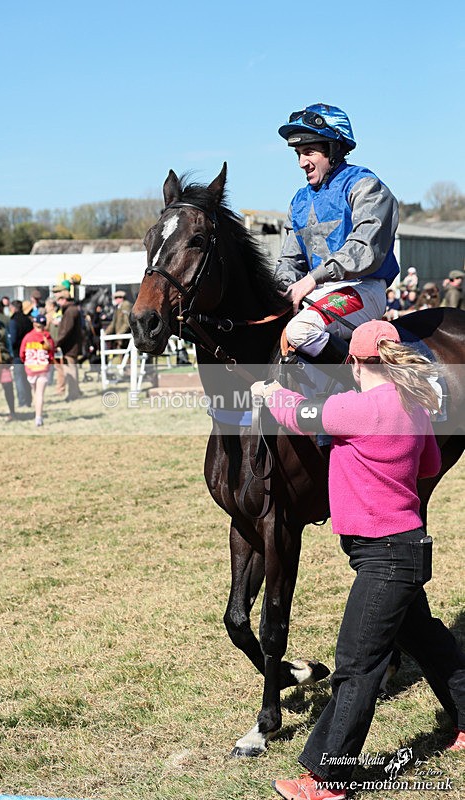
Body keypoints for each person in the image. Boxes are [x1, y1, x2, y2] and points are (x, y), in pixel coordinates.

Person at [252, 320, 465, 800]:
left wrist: (270, 391)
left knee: (356, 664)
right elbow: (428, 465)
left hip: (385, 557)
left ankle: (327, 779)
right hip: (404, 548)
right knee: (429, 643)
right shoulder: (412, 404)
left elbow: (302, 414)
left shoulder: (359, 407)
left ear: (353, 361)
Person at [275, 104, 399, 367]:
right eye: (298, 153)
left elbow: (364, 248)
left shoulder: (365, 186)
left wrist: (313, 278)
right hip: (317, 292)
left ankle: (360, 385)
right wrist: (281, 288)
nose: (301, 163)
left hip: (362, 288)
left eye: (309, 152)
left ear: (333, 150)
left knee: (300, 331)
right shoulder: (299, 200)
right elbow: (290, 259)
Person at [20, 314, 55, 427]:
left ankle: (37, 413)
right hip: (43, 368)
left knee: (35, 392)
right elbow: (51, 352)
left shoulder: (27, 337)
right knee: (40, 393)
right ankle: (38, 417)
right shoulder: (47, 337)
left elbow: (22, 353)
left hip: (30, 368)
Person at [55, 290, 83, 401]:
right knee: (72, 369)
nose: (58, 302)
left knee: (70, 370)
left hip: (70, 346)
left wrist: (57, 342)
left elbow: (66, 330)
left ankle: (73, 394)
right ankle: (76, 391)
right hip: (72, 345)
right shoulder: (72, 309)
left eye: (59, 300)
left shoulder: (70, 311)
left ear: (64, 300)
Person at [9, 300, 33, 408]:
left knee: (19, 378)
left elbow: (13, 339)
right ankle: (29, 399)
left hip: (18, 353)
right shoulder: (28, 320)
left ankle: (22, 401)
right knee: (27, 377)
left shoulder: (14, 321)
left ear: (13, 308)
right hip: (28, 351)